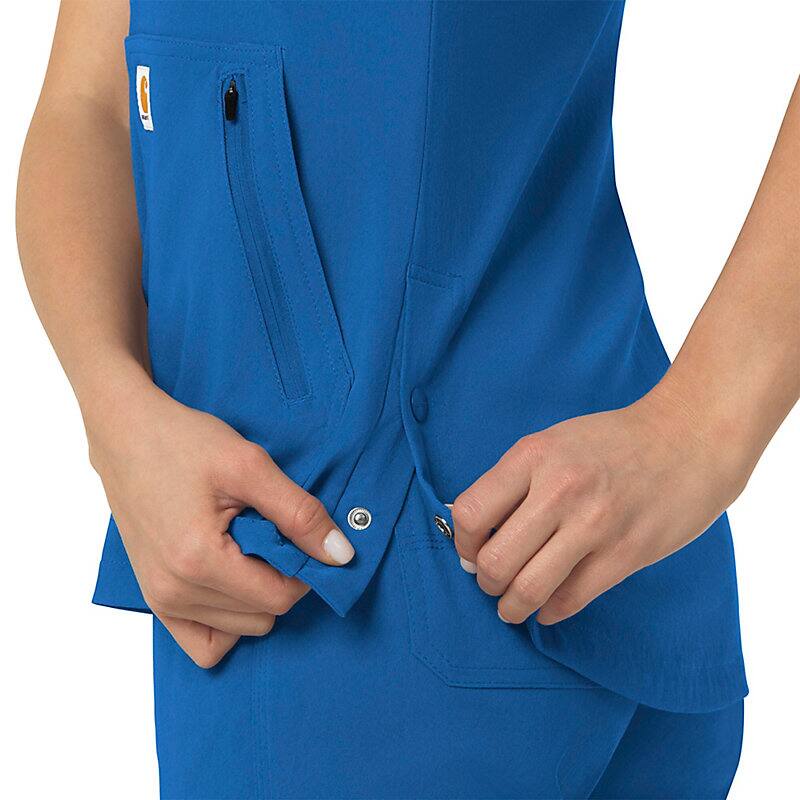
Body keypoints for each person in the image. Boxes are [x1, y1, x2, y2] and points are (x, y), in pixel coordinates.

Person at [16, 1, 799, 798]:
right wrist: (113, 408)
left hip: (374, 602)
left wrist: (704, 429)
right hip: (452, 562)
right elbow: (91, 101)